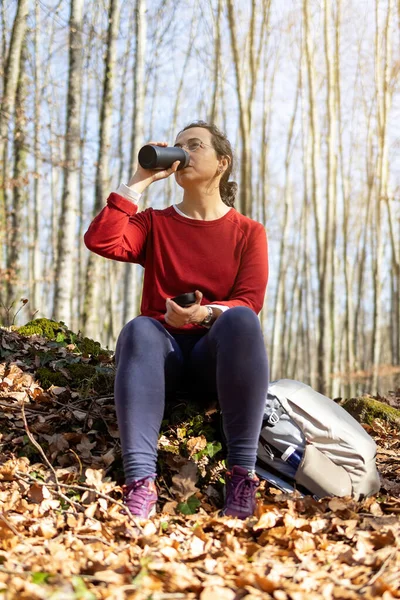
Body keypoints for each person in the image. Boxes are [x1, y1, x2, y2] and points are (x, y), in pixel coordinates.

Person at [84, 120, 269, 520]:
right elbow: (101, 240)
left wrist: (203, 314)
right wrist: (140, 179)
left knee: (241, 321)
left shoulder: (248, 232)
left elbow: (249, 301)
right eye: (179, 146)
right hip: (158, 359)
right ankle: (140, 482)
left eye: (194, 146)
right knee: (139, 328)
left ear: (222, 163)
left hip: (212, 361)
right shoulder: (155, 223)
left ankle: (242, 475)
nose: (183, 152)